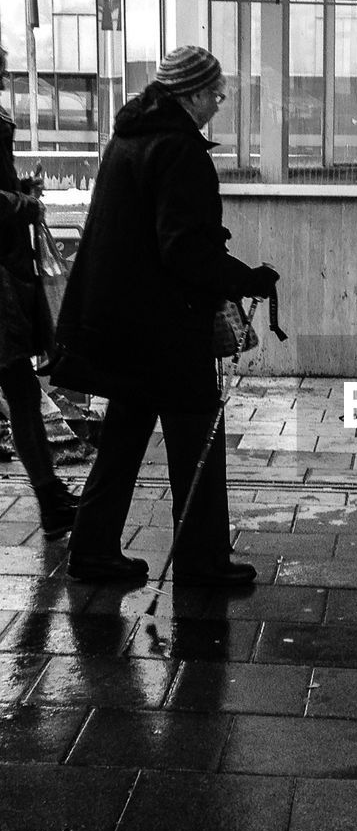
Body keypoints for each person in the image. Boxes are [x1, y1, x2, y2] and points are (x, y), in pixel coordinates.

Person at [51, 46, 280, 585]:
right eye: (216, 94)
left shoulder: (130, 139)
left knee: (124, 438)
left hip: (121, 325)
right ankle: (202, 564)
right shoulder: (178, 151)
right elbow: (181, 249)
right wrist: (245, 278)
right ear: (193, 93)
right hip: (165, 330)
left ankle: (92, 550)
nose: (218, 105)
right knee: (198, 435)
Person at [0, 43, 79, 538]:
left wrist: (19, 194)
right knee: (20, 388)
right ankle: (50, 500)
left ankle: (51, 500)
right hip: (1, 279)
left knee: (22, 389)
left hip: (9, 271)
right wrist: (22, 205)